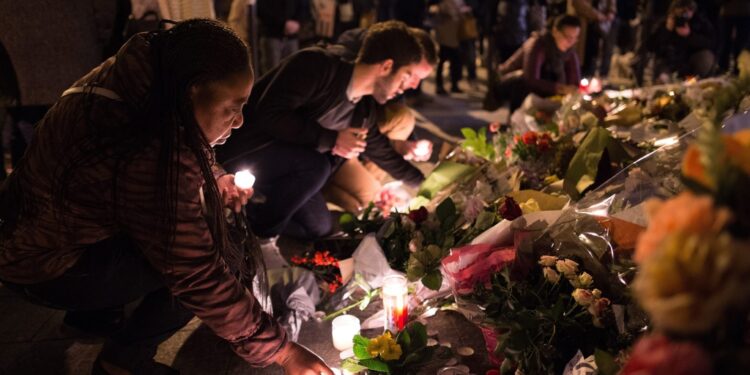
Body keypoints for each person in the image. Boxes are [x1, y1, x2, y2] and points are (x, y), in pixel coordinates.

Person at [0, 19, 333, 375]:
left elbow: (174, 150)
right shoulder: (147, 148)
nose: (237, 122)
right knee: (220, 249)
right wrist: (283, 352)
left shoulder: (141, 78)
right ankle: (121, 362)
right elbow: (195, 271)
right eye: (232, 107)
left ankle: (95, 316)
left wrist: (216, 177)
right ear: (193, 90)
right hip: (46, 268)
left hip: (34, 237)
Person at [215, 20, 425, 247]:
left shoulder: (364, 109)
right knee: (317, 166)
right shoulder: (316, 65)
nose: (407, 86)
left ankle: (254, 215)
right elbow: (270, 113)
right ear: (386, 66)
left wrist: (426, 184)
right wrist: (332, 139)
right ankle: (263, 237)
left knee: (319, 227)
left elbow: (382, 151)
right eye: (405, 76)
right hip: (249, 151)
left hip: (295, 171)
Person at [322, 27, 437, 214]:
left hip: (358, 138)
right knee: (372, 204)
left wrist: (407, 145)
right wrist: (331, 139)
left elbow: (374, 136)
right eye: (412, 75)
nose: (415, 84)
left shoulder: (372, 100)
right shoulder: (352, 71)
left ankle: (357, 181)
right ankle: (325, 187)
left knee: (377, 202)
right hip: (331, 149)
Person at [486, 14, 581, 112]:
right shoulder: (538, 44)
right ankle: (516, 120)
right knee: (522, 81)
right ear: (555, 31)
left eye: (575, 38)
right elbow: (531, 79)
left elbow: (575, 80)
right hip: (510, 82)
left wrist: (573, 89)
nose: (571, 42)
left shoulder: (570, 51)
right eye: (567, 37)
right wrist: (560, 88)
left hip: (539, 85)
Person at [647, 0, 716, 82]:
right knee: (664, 78)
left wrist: (689, 36)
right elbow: (651, 46)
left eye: (689, 10)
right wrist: (667, 31)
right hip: (668, 62)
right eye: (681, 10)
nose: (684, 14)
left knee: (706, 57)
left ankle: (697, 80)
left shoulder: (699, 22)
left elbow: (711, 43)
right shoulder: (664, 23)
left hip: (691, 61)